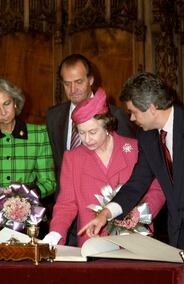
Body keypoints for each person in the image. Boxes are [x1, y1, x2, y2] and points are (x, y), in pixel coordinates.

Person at [79, 73, 184, 284]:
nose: (131, 118)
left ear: (152, 108)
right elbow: (137, 183)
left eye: (133, 112)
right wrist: (105, 214)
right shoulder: (147, 136)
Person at [43, 88, 165, 247]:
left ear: (107, 126)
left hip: (135, 240)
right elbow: (66, 205)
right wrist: (55, 233)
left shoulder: (135, 149)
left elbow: (157, 188)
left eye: (93, 132)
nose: (87, 139)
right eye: (81, 133)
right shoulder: (72, 158)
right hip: (93, 241)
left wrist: (143, 212)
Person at [46, 53, 135, 245]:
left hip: (122, 225)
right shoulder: (54, 116)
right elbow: (61, 166)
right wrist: (56, 232)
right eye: (67, 83)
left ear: (91, 80)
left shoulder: (117, 116)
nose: (73, 89)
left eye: (78, 81)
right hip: (74, 218)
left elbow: (135, 175)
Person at [0, 77, 56, 242]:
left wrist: (23, 197)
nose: (3, 112)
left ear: (15, 102)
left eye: (6, 104)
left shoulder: (39, 134)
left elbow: (49, 182)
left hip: (30, 222)